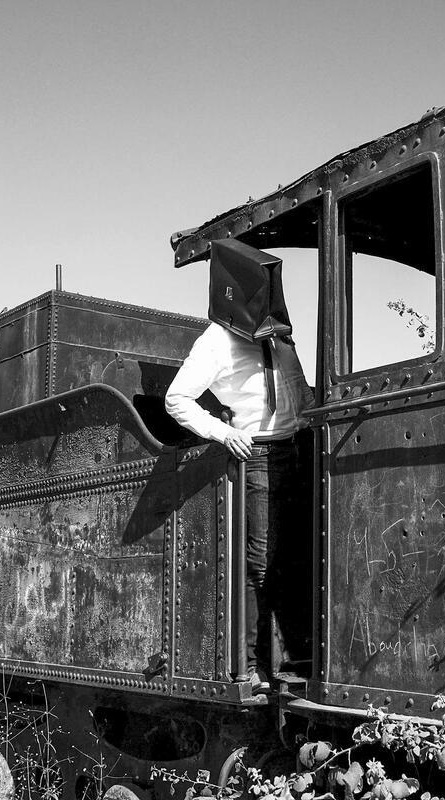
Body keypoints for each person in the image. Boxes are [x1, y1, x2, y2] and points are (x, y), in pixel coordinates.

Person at [165, 239, 313, 690]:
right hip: (261, 456)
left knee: (297, 554)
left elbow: (300, 390)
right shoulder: (217, 339)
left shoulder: (279, 335)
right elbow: (177, 398)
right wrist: (226, 433)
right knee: (263, 563)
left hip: (298, 448)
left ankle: (293, 658)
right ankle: (256, 666)